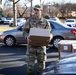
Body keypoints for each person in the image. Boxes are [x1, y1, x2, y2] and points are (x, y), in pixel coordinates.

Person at [23, 5, 51, 75]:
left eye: (37, 10)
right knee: (30, 67)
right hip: (31, 47)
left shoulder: (45, 22)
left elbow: (50, 33)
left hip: (41, 47)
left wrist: (50, 37)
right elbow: (24, 31)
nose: (36, 11)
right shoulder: (29, 21)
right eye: (35, 10)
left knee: (41, 68)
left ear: (41, 11)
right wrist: (27, 37)